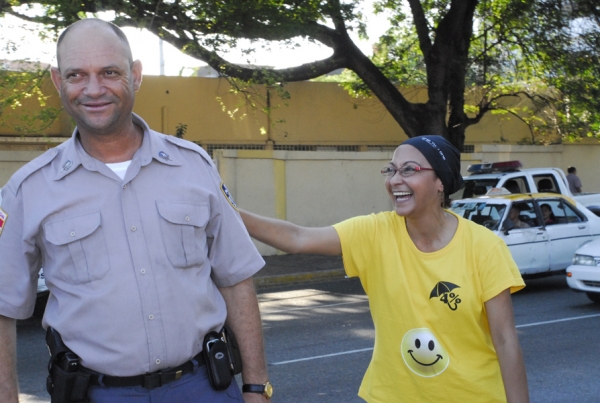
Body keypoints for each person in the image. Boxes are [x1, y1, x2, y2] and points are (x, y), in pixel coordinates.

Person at [0, 19, 272, 403]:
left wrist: (257, 387)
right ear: (59, 81)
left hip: (203, 387)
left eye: (110, 72)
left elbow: (236, 279)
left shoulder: (194, 166)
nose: (94, 89)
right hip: (95, 394)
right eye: (77, 75)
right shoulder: (28, 190)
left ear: (136, 75)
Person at [240, 135, 529, 402]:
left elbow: (505, 340)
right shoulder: (375, 232)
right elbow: (297, 238)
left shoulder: (484, 247)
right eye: (391, 170)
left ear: (440, 181)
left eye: (409, 170)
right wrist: (224, 209)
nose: (395, 180)